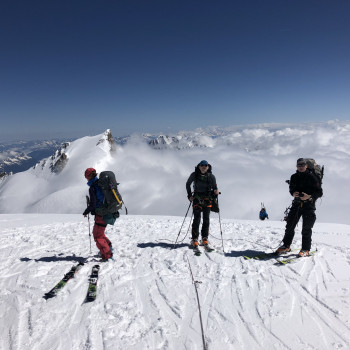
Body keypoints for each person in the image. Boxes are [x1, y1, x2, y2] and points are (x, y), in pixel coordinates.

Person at [276, 158, 323, 257]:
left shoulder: (313, 177)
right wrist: (293, 193)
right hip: (296, 204)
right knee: (290, 226)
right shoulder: (294, 177)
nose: (301, 167)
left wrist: (309, 196)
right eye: (299, 165)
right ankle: (286, 245)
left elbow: (319, 192)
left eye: (303, 165)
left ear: (306, 166)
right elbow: (291, 189)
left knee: (306, 228)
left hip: (309, 205)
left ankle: (305, 249)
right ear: (297, 166)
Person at [186, 160, 220, 248]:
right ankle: (195, 238)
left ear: (208, 167)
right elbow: (188, 184)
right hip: (197, 199)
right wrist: (189, 195)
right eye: (202, 165)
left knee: (206, 219)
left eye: (205, 165)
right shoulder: (194, 175)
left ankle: (204, 238)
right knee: (197, 219)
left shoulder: (211, 177)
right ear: (199, 166)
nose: (204, 167)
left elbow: (215, 188)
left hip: (208, 199)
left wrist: (216, 192)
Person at [83, 168, 113, 262]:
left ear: (88, 176)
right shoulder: (101, 183)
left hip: (101, 213)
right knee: (100, 233)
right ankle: (108, 249)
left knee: (97, 236)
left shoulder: (93, 187)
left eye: (86, 177)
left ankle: (107, 255)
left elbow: (93, 204)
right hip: (107, 211)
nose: (86, 179)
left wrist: (86, 211)